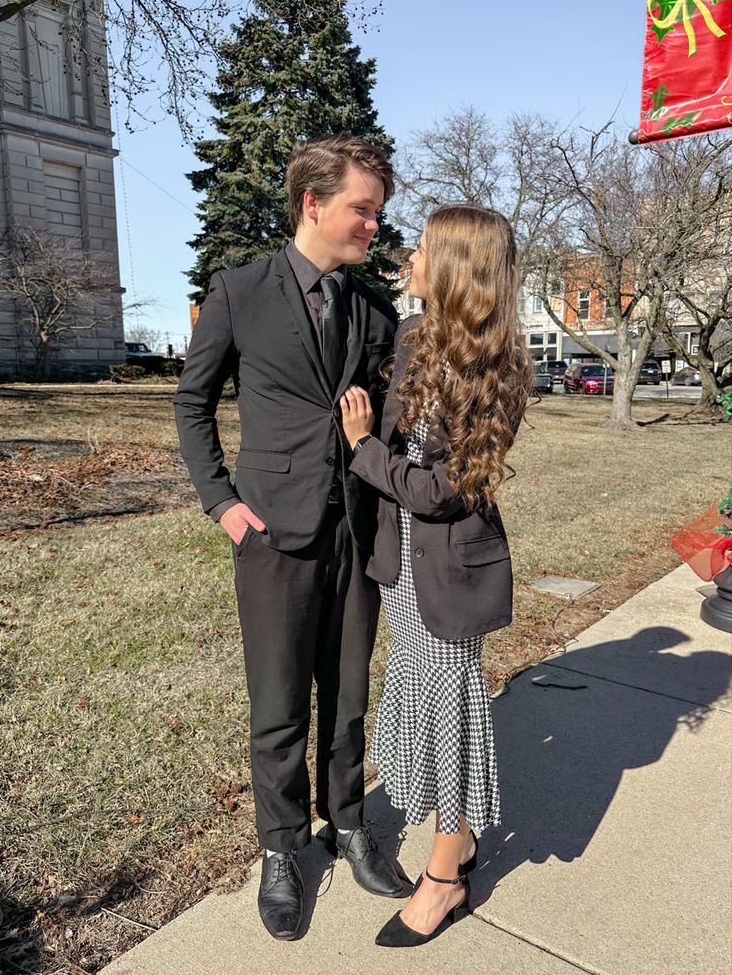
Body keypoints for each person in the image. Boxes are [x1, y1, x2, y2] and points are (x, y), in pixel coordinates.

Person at [174, 135, 405, 942]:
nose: (373, 224)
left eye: (376, 211)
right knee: (278, 706)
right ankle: (282, 847)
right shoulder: (240, 292)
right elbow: (191, 405)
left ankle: (346, 823)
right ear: (314, 204)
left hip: (354, 530)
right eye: (361, 209)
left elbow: (398, 409)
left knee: (347, 698)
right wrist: (223, 505)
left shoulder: (375, 305)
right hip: (271, 533)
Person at [340, 205, 533, 947]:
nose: (406, 255)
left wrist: (362, 448)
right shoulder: (416, 340)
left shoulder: (498, 366)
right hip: (403, 569)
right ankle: (463, 846)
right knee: (423, 707)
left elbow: (439, 490)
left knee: (447, 720)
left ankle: (445, 877)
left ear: (454, 267)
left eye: (420, 247)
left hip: (451, 576)